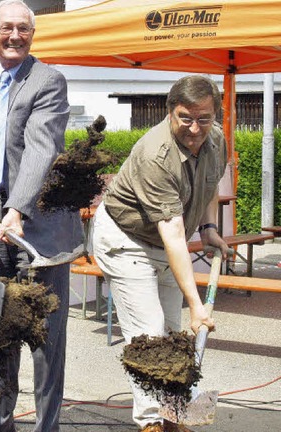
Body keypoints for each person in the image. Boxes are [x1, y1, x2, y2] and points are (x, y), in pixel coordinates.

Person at [0, 1, 84, 431]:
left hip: (37, 230)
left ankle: (47, 426)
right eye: (6, 28)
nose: (15, 36)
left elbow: (42, 148)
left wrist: (17, 209)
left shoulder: (49, 81)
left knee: (45, 337)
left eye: (23, 29)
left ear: (32, 35)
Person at [92, 75, 230, 432]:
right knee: (151, 337)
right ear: (170, 113)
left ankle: (174, 417)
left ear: (214, 114)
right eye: (186, 117)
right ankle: (152, 423)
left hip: (168, 241)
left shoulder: (215, 138)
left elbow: (210, 181)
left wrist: (209, 229)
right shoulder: (156, 153)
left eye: (204, 118)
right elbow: (172, 236)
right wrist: (198, 304)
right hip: (127, 240)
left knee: (173, 335)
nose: (195, 128)